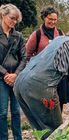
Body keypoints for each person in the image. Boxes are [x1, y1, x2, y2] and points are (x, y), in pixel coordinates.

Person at [25, 7, 69, 111]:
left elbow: (66, 50)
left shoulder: (60, 33)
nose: (53, 22)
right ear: (44, 17)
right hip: (43, 76)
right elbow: (26, 55)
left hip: (58, 74)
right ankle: (46, 125)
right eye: (50, 19)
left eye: (55, 19)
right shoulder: (36, 35)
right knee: (45, 103)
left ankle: (58, 124)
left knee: (58, 102)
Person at [0, 4, 26, 140]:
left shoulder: (18, 36)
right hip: (1, 78)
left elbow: (24, 57)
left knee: (16, 112)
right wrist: (5, 74)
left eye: (16, 19)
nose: (14, 22)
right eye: (12, 18)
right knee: (2, 113)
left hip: (16, 78)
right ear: (3, 15)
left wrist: (16, 74)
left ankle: (18, 138)